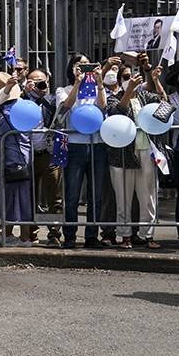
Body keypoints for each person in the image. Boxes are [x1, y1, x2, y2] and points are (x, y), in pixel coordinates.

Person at [105, 60, 165, 248]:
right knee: (123, 196)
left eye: (133, 76)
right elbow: (118, 112)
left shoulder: (145, 96)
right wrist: (129, 90)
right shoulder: (114, 97)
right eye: (125, 77)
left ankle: (148, 235)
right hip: (123, 154)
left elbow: (165, 106)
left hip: (146, 151)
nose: (130, 80)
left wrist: (155, 80)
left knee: (148, 195)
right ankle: (125, 236)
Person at [55, 54, 110, 249]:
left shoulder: (96, 89)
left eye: (88, 65)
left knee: (95, 194)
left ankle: (91, 235)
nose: (85, 68)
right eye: (80, 65)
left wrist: (100, 82)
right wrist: (78, 83)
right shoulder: (64, 89)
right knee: (72, 194)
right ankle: (69, 235)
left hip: (97, 144)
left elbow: (103, 108)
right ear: (72, 68)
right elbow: (65, 107)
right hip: (75, 145)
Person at [0, 73, 32, 247]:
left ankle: (9, 235)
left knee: (8, 199)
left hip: (9, 160)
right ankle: (24, 237)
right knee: (24, 199)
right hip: (26, 158)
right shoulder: (24, 106)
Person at [24, 68, 63, 246]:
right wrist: (26, 92)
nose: (40, 84)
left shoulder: (52, 101)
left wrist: (42, 93)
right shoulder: (22, 101)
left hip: (48, 154)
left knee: (54, 196)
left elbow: (64, 107)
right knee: (29, 196)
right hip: (27, 154)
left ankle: (54, 233)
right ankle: (31, 232)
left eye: (42, 80)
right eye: (35, 81)